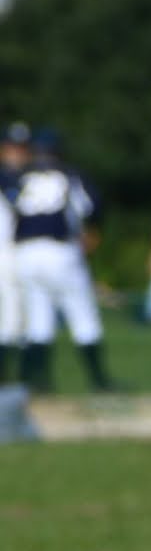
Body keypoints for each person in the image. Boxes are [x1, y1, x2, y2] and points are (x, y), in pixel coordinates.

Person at [9, 127, 113, 393]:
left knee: (38, 318)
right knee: (81, 312)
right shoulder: (68, 175)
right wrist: (92, 230)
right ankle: (99, 379)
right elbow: (92, 205)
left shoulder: (19, 178)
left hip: (25, 253)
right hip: (60, 250)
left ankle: (39, 382)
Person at [0, 121, 26, 383]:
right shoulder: (8, 179)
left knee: (17, 313)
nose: (16, 153)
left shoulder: (27, 176)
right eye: (11, 148)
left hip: (17, 251)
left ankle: (13, 376)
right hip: (5, 251)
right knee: (11, 311)